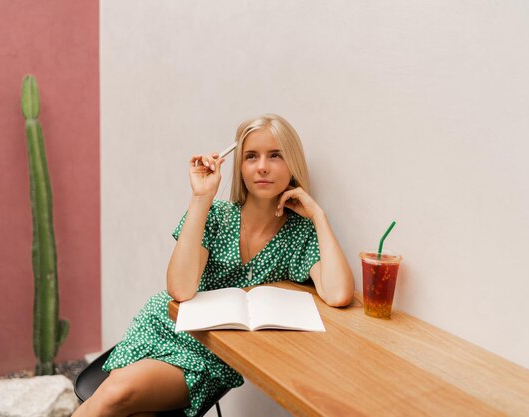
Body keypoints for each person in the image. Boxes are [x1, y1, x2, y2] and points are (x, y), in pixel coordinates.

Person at [73, 113, 354, 417]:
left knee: (118, 393)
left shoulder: (299, 233)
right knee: (128, 405)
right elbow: (179, 289)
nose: (262, 166)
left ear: (293, 164)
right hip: (166, 326)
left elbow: (338, 294)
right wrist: (200, 198)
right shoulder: (217, 215)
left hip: (212, 354)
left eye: (275, 155)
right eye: (251, 156)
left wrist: (318, 216)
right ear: (239, 166)